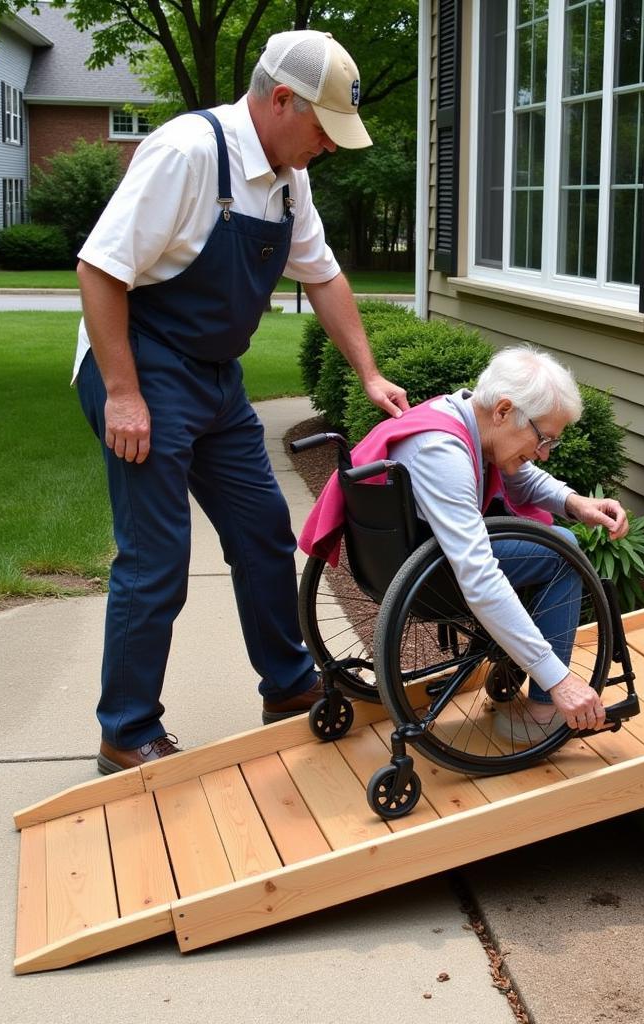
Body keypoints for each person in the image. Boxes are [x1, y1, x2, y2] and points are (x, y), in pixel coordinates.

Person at [74, 30, 409, 775]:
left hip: (214, 378)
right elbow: (99, 268)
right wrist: (123, 394)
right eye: (322, 128)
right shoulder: (188, 153)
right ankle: (126, 730)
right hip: (140, 365)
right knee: (157, 555)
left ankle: (288, 685)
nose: (328, 144)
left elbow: (322, 275)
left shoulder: (290, 176)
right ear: (280, 98)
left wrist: (369, 373)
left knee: (262, 531)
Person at [300, 345, 628, 736]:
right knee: (562, 553)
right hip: (434, 581)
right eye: (544, 439)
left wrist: (574, 503)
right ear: (504, 410)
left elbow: (516, 473)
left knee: (554, 538)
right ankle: (545, 711)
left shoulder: (457, 414)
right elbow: (479, 577)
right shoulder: (442, 454)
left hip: (394, 564)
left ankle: (523, 664)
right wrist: (559, 679)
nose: (543, 454)